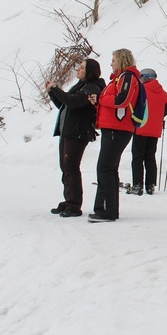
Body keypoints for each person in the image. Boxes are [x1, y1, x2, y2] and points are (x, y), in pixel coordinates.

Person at [88, 49, 142, 223]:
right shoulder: (119, 79)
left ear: (121, 60)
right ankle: (108, 209)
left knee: (104, 168)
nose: (111, 63)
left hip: (117, 129)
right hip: (113, 128)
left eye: (113, 60)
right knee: (109, 169)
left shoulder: (127, 77)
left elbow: (122, 100)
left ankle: (106, 211)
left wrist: (101, 99)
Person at [46, 58, 105, 218]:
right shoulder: (81, 86)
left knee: (71, 167)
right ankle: (69, 200)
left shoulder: (93, 87)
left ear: (90, 71)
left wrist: (56, 89)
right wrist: (52, 92)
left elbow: (72, 102)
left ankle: (74, 205)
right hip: (69, 131)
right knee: (65, 167)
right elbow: (65, 105)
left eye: (82, 67)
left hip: (78, 133)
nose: (78, 69)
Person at [128, 68, 167, 196]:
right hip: (155, 130)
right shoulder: (163, 93)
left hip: (141, 127)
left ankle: (137, 185)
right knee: (150, 157)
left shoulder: (141, 90)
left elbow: (134, 105)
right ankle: (150, 185)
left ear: (145, 78)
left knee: (137, 157)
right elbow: (166, 111)